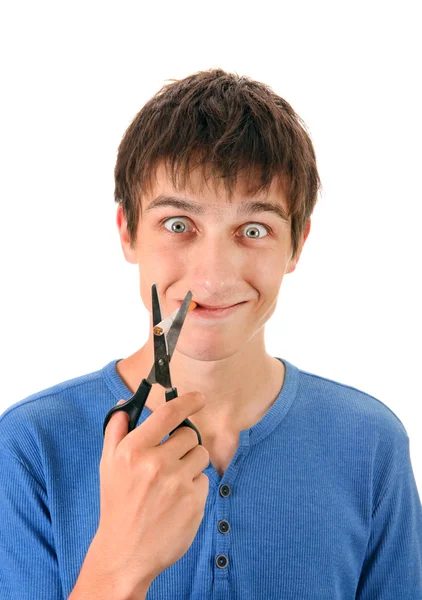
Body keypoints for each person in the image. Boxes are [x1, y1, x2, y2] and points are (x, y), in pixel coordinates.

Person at [1, 68, 421, 600]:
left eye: (253, 230)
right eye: (179, 225)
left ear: (296, 245)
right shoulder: (31, 447)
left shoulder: (371, 444)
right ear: (127, 231)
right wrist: (118, 565)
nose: (212, 278)